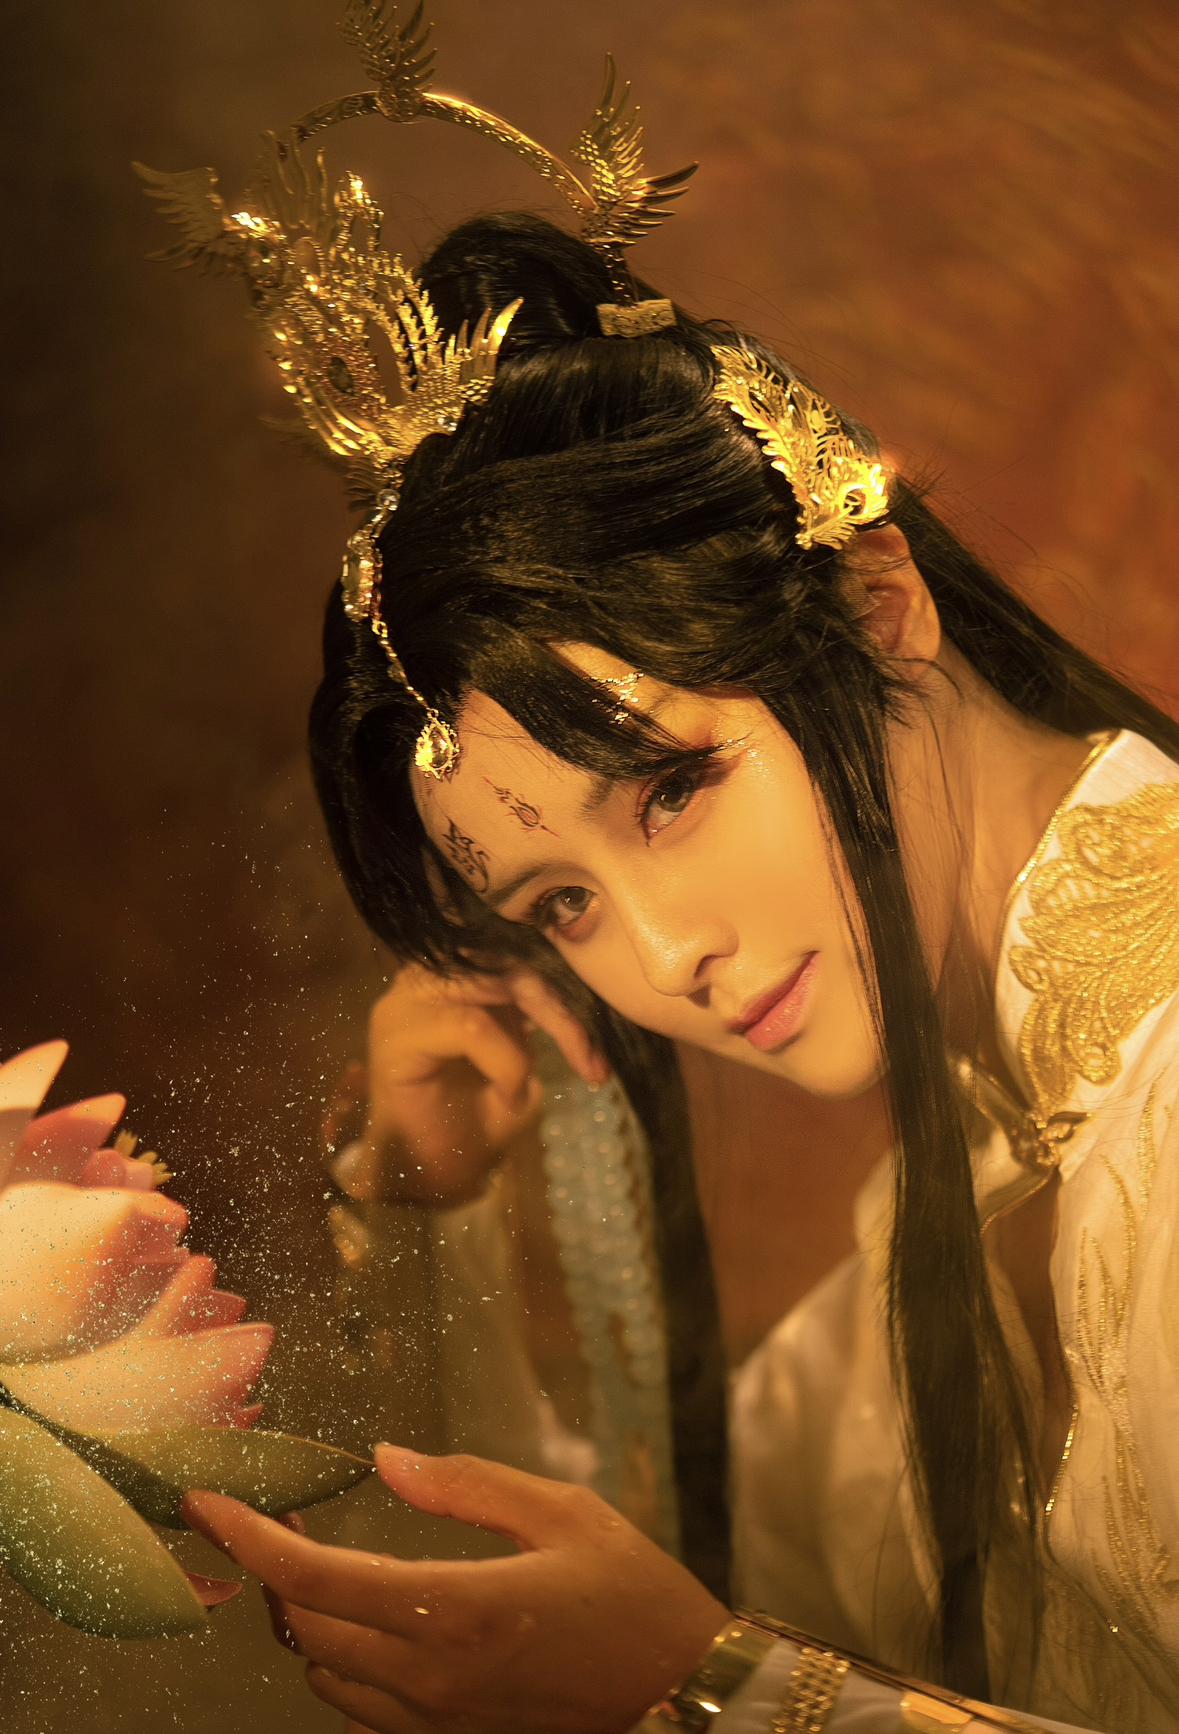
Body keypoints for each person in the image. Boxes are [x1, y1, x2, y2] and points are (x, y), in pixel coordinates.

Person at [143, 13, 1179, 1732]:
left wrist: (720, 1691)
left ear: (876, 604)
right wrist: (429, 1216)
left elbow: (708, 1638)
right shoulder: (976, 1161)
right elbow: (658, 1571)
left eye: (671, 789)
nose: (662, 957)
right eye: (556, 906)